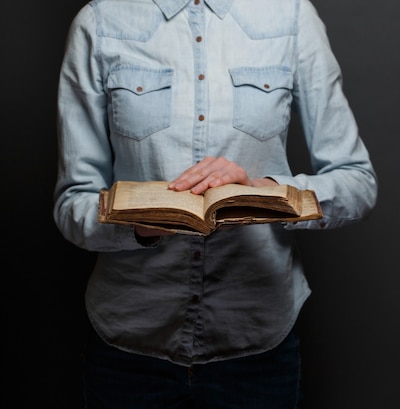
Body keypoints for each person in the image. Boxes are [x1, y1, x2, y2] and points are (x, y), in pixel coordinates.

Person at [53, 0, 377, 407]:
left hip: (257, 344)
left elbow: (356, 181)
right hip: (129, 347)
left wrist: (260, 193)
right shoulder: (99, 22)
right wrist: (142, 223)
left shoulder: (291, 16)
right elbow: (72, 203)